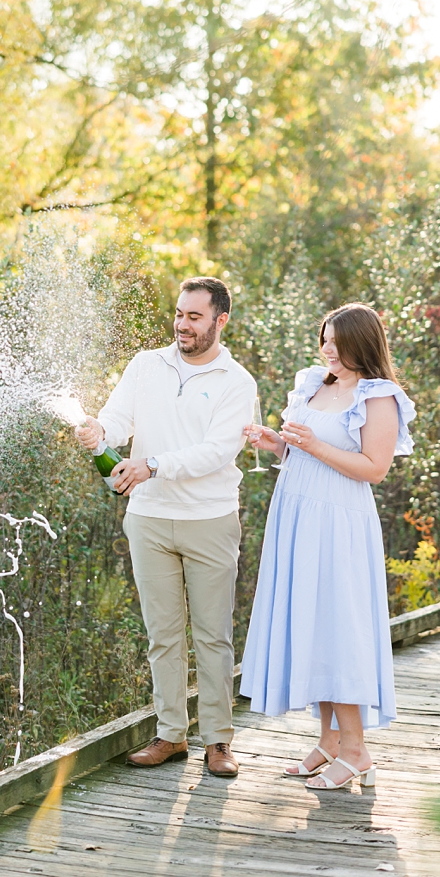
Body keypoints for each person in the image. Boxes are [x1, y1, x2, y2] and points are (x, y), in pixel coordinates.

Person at [76, 276, 257, 779]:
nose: (182, 324)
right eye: (179, 314)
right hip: (149, 520)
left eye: (194, 317)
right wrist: (98, 430)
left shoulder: (237, 382)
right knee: (163, 635)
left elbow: (217, 452)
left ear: (220, 321)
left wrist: (150, 465)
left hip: (209, 520)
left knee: (213, 636)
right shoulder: (145, 365)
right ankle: (171, 735)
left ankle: (218, 741)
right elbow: (115, 419)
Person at [240, 303, 415, 791]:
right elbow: (303, 446)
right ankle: (329, 741)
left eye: (339, 343)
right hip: (296, 511)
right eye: (325, 340)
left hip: (339, 520)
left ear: (363, 344)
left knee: (339, 625)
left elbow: (374, 469)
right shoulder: (315, 382)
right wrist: (276, 443)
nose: (328, 350)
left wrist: (313, 446)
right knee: (311, 623)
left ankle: (357, 750)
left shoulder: (378, 397)